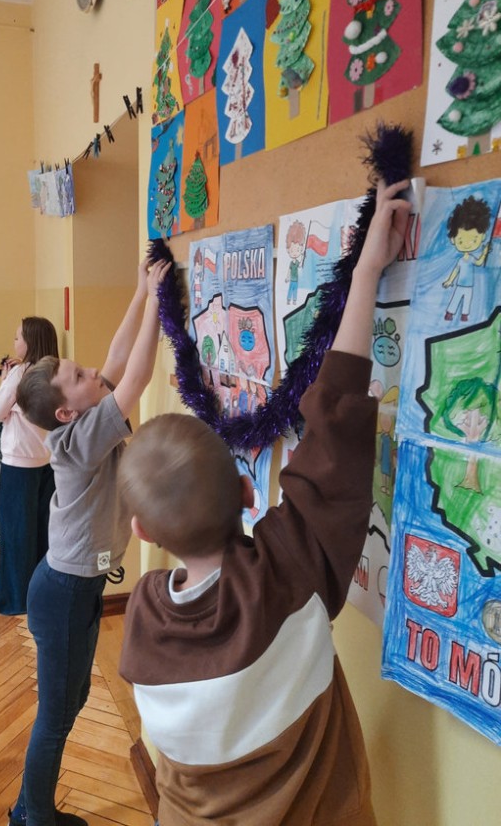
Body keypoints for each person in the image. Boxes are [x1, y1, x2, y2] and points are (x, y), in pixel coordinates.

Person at [117, 181, 412, 826]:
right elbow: (333, 430)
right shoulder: (286, 574)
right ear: (249, 491)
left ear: (143, 531)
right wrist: (366, 271)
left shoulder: (144, 619)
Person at [9, 257, 171, 826]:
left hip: (73, 588)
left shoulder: (82, 418)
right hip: (65, 593)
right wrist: (158, 300)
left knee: (70, 703)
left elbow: (118, 360)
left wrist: (139, 293)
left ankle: (29, 807)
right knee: (55, 717)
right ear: (66, 410)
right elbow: (137, 377)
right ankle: (32, 816)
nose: (93, 373)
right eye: (80, 376)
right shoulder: (81, 438)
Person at [0, 317, 60, 615]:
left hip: (19, 465)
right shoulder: (57, 371)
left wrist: (4, 382)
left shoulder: (21, 374)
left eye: (18, 337)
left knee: (16, 533)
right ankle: (41, 593)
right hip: (49, 462)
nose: (14, 342)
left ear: (30, 342)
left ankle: (15, 598)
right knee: (43, 531)